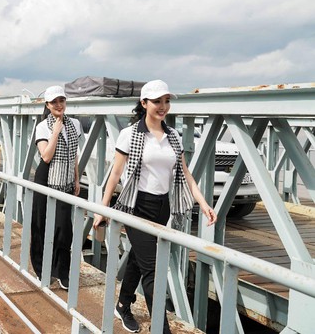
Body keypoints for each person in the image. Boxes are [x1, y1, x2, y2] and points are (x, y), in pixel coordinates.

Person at [92, 80, 217, 333]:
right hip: (136, 206)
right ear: (144, 103)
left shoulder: (173, 136)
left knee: (139, 260)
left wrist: (203, 203)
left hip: (163, 206)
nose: (163, 107)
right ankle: (162, 329)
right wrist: (101, 209)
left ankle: (123, 304)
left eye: (166, 101)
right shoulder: (130, 134)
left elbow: (185, 173)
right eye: (157, 101)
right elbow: (115, 174)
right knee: (153, 270)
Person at [30, 85, 82, 291]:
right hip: (48, 180)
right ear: (47, 105)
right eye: (54, 102)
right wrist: (55, 133)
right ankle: (43, 269)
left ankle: (62, 272)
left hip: (67, 181)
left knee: (64, 230)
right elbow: (45, 156)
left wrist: (77, 179)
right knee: (44, 226)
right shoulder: (43, 127)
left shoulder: (75, 124)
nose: (59, 105)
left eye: (61, 100)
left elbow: (74, 153)